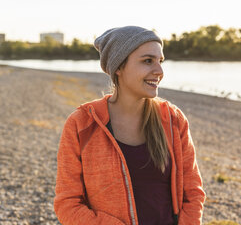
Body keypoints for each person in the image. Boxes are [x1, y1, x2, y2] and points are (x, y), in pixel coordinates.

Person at [54, 26, 206, 225]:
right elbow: (68, 204)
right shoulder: (82, 124)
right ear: (118, 67)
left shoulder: (173, 120)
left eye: (160, 61)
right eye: (147, 61)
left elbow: (193, 194)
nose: (159, 71)